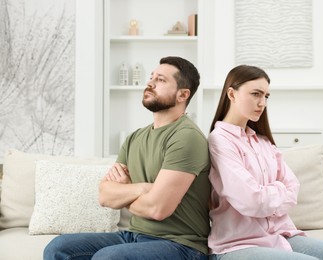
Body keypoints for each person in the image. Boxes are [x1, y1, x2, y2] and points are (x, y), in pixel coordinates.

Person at [44, 56, 211, 260]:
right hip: (132, 235)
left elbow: (157, 209)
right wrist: (142, 188)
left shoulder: (187, 137)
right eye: (151, 77)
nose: (150, 83)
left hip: (181, 245)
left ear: (182, 94)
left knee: (109, 258)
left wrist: (125, 194)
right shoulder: (134, 138)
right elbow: (105, 196)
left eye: (161, 80)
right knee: (57, 248)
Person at [207, 65, 323, 260]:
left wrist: (268, 193)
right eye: (256, 94)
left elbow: (293, 189)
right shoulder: (220, 141)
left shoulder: (263, 142)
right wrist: (277, 189)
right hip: (237, 244)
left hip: (277, 235)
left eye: (266, 96)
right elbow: (251, 201)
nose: (262, 103)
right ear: (231, 94)